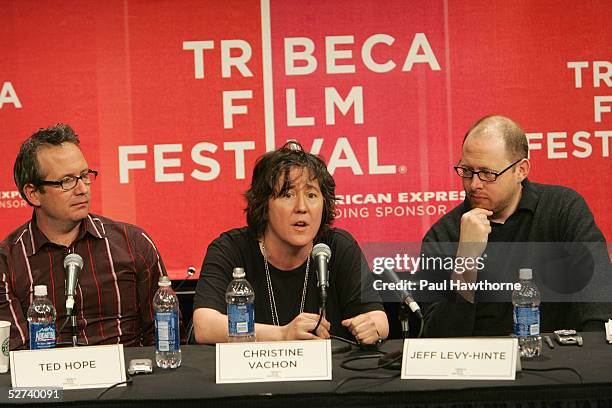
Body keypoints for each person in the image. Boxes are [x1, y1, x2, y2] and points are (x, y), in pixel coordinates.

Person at [419, 115, 610, 337]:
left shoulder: (562, 208)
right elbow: (436, 337)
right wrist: (466, 260)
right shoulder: (443, 234)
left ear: (521, 170)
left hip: (559, 357)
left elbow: (599, 289)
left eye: (488, 174)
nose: (474, 184)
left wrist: (595, 352)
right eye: (467, 171)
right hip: (480, 363)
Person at [193, 142, 389, 344]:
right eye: (288, 194)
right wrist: (282, 335)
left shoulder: (337, 246)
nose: (302, 207)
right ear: (263, 204)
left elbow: (378, 319)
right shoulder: (231, 249)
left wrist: (370, 327)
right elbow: (204, 326)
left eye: (312, 195)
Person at [0, 124, 168, 349]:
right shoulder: (7, 261)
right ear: (33, 194)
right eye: (67, 181)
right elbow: (13, 353)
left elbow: (163, 335)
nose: (82, 189)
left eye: (84, 176)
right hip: (49, 380)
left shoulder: (133, 243)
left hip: (127, 379)